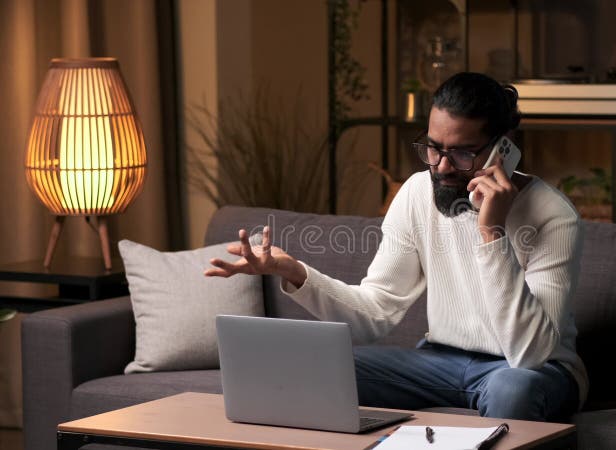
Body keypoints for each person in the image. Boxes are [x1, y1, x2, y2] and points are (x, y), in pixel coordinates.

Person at [205, 72, 587, 422]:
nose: (441, 167)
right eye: (434, 148)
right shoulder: (418, 193)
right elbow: (377, 310)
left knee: (512, 387)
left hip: (535, 371)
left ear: (502, 150)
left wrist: (492, 233)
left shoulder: (554, 215)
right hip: (440, 362)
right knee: (319, 365)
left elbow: (530, 354)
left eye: (462, 153)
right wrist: (294, 272)